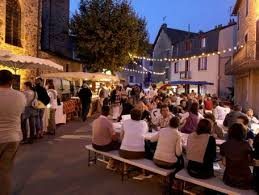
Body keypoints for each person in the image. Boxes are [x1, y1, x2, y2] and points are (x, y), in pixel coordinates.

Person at [0, 70, 26, 195]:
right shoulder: (20, 96)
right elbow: (20, 113)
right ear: (11, 81)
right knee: (5, 170)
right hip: (13, 137)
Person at [220, 123, 253, 190]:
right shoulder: (246, 145)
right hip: (244, 181)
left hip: (228, 179)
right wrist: (251, 145)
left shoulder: (224, 145)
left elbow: (224, 163)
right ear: (243, 133)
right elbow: (250, 161)